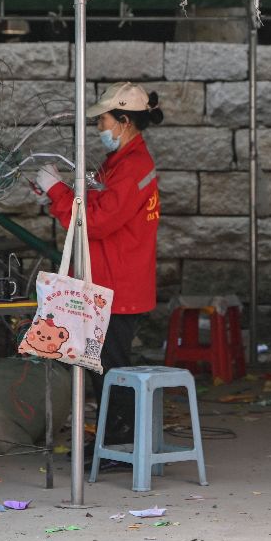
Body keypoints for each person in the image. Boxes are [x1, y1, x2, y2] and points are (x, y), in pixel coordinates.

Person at [35, 82, 163, 459]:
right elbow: (94, 204)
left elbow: (97, 221)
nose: (99, 128)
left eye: (103, 121)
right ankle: (112, 443)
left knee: (110, 369)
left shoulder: (133, 167)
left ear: (124, 121)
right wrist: (59, 191)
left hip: (117, 286)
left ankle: (118, 445)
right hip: (109, 281)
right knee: (102, 367)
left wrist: (57, 192)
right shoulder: (121, 162)